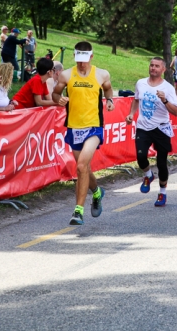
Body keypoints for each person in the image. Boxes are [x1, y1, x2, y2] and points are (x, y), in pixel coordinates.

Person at [52, 41, 114, 226]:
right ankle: (96, 192)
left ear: (91, 57)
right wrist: (59, 99)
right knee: (84, 169)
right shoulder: (66, 75)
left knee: (80, 167)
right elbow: (55, 94)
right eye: (78, 60)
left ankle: (78, 211)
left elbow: (108, 88)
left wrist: (110, 100)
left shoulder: (101, 74)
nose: (81, 64)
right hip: (74, 127)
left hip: (94, 127)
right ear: (75, 57)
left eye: (85, 60)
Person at [126, 57, 177, 207]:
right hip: (143, 126)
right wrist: (131, 114)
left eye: (157, 66)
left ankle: (162, 192)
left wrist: (164, 100)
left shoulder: (168, 88)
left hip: (161, 128)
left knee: (162, 163)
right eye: (151, 65)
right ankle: (148, 175)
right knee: (141, 156)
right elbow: (136, 99)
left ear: (163, 69)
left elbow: (175, 112)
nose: (153, 68)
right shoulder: (141, 83)